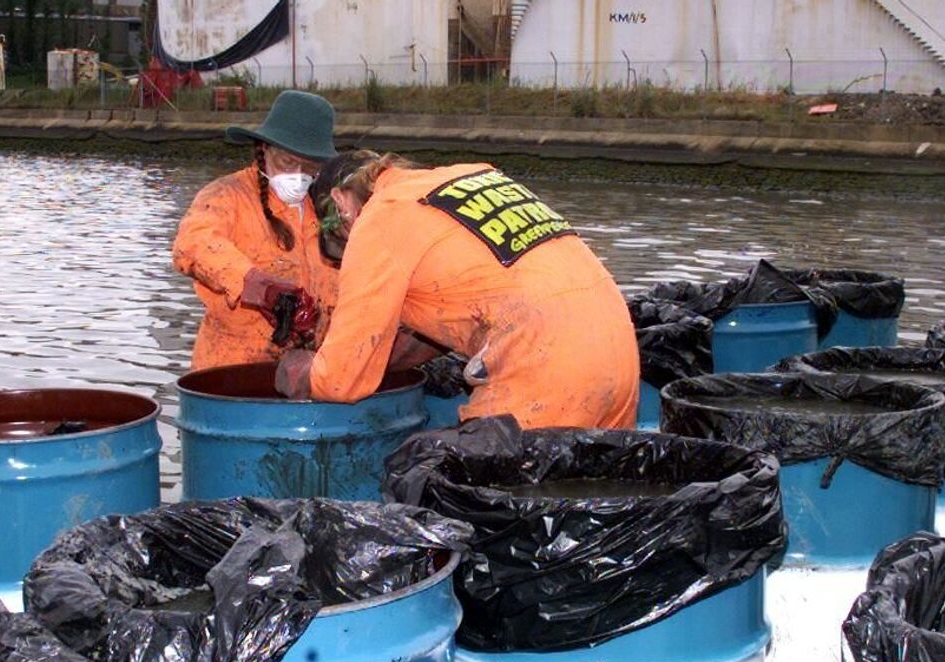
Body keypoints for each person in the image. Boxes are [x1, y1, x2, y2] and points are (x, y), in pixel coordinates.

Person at [275, 151, 640, 430]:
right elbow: (450, 321)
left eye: (343, 237)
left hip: (547, 373)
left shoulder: (380, 217)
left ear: (341, 203)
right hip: (619, 359)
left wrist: (301, 369)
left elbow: (339, 383)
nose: (349, 245)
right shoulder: (471, 177)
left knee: (473, 510)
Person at [173, 90, 340, 370]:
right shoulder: (226, 195)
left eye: (310, 167)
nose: (298, 174)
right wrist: (262, 288)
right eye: (287, 162)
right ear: (264, 149)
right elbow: (192, 245)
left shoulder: (330, 211)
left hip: (309, 370)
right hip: (231, 371)